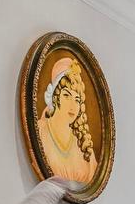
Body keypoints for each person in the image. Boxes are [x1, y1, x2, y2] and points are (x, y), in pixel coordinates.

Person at [37, 56, 98, 185]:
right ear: (55, 96)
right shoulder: (40, 132)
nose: (72, 106)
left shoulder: (83, 144)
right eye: (66, 95)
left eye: (77, 99)